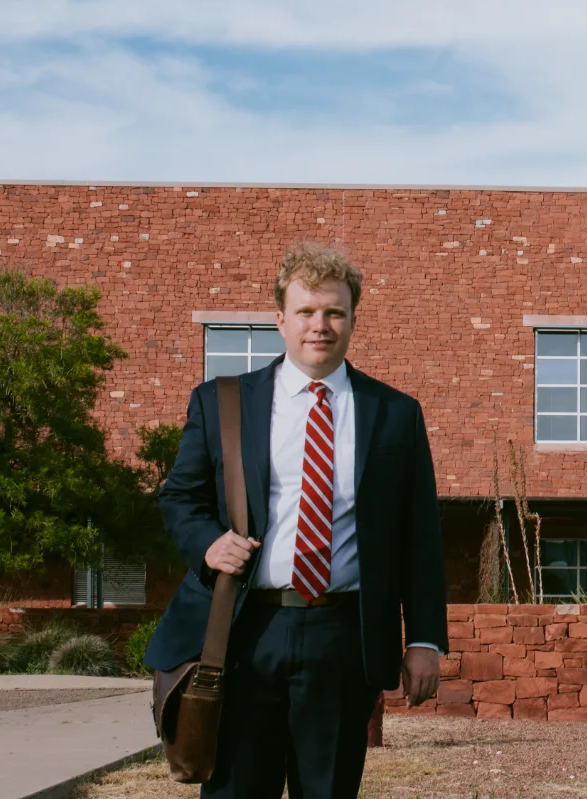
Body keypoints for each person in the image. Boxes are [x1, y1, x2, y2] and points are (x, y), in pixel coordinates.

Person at [145, 242, 447, 799]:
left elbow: (419, 537)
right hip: (242, 632)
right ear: (280, 319)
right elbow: (179, 498)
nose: (321, 326)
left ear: (354, 319)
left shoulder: (395, 413)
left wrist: (425, 638)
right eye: (306, 312)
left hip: (343, 636)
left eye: (334, 312)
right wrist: (208, 543)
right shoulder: (222, 403)